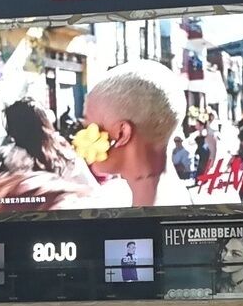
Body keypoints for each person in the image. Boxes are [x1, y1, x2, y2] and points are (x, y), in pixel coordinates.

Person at [81, 60, 191, 208]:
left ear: (121, 134)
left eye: (88, 125)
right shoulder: (176, 198)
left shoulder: (144, 222)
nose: (81, 136)